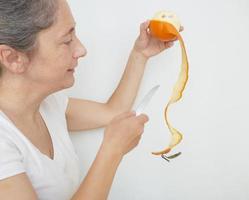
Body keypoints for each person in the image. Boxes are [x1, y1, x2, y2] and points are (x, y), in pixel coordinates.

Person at [0, 0, 182, 199]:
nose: (81, 49)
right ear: (12, 58)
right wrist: (112, 152)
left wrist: (140, 55)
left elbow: (112, 113)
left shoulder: (49, 105)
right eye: (67, 40)